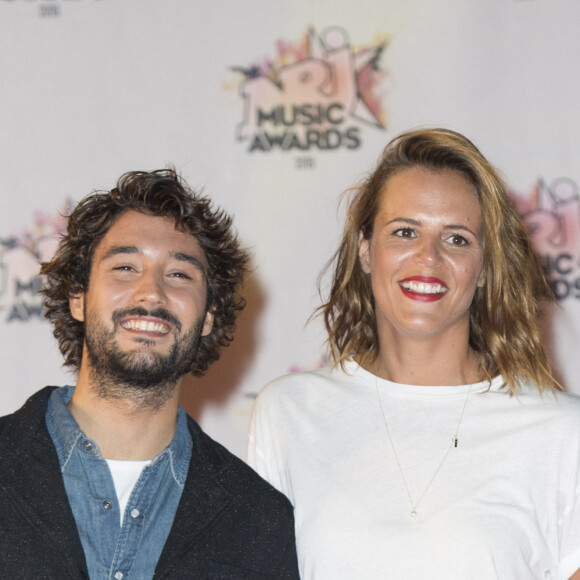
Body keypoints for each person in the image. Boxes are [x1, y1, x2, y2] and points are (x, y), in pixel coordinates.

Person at [248, 128, 580, 579]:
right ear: (366, 251)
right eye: (405, 232)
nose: (428, 258)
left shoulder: (563, 432)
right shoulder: (289, 413)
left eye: (457, 239)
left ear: (484, 268)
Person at [0, 169, 300, 579]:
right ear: (77, 297)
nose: (152, 293)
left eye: (179, 274)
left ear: (209, 316)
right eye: (125, 267)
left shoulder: (260, 519)